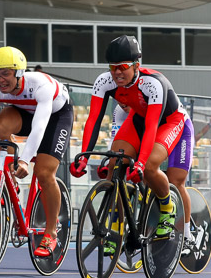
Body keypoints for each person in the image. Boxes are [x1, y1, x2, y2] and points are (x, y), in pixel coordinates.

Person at [70, 35, 194, 244]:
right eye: (113, 67)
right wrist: (84, 156)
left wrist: (141, 163)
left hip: (171, 122)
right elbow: (94, 120)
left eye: (123, 67)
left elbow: (153, 126)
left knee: (159, 172)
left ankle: (168, 208)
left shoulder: (153, 83)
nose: (117, 73)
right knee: (114, 165)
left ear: (137, 65)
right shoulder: (104, 82)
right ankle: (116, 224)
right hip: (139, 120)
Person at [0, 46, 72, 257]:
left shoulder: (40, 85)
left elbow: (40, 127)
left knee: (44, 173)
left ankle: (51, 232)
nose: (0, 80)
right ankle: (10, 181)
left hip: (55, 117)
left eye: (5, 73)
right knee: (0, 127)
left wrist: (25, 160)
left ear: (19, 73)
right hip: (24, 112)